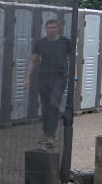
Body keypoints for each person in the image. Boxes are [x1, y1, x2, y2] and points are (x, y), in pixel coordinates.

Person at [24, 19, 73, 149]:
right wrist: (27, 77)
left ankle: (51, 135)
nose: (51, 30)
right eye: (49, 28)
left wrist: (75, 78)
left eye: (54, 27)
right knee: (45, 106)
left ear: (58, 29)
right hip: (44, 77)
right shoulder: (40, 43)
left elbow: (73, 60)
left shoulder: (66, 42)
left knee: (53, 104)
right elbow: (33, 61)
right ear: (46, 29)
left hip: (59, 77)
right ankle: (46, 133)